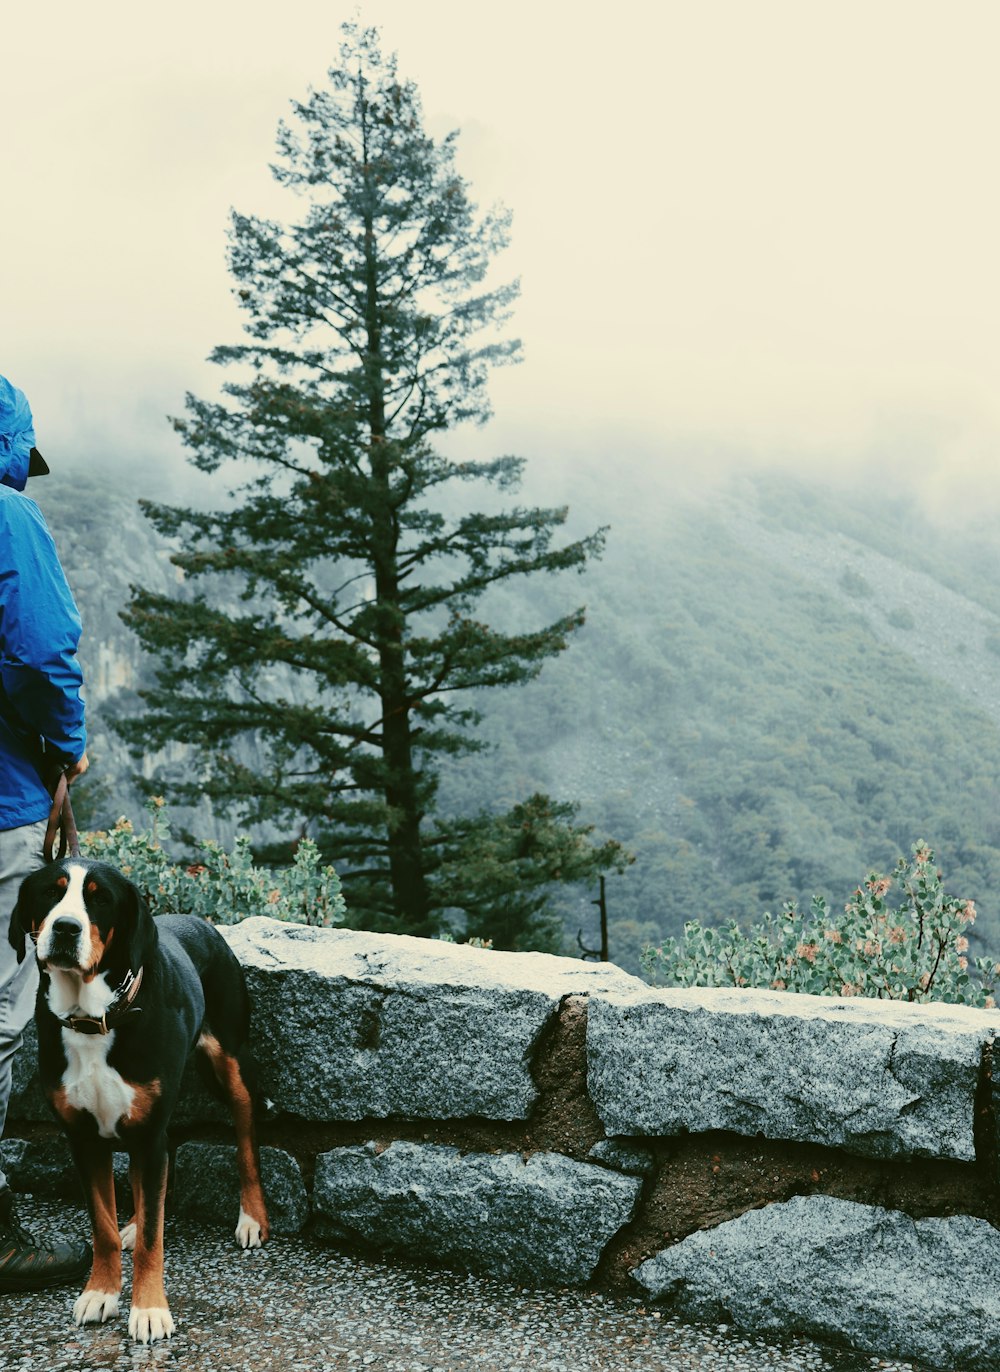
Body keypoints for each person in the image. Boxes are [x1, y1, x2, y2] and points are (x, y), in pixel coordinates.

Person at [0, 373, 91, 1290]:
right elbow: (37, 652)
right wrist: (68, 750)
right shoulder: (8, 518)